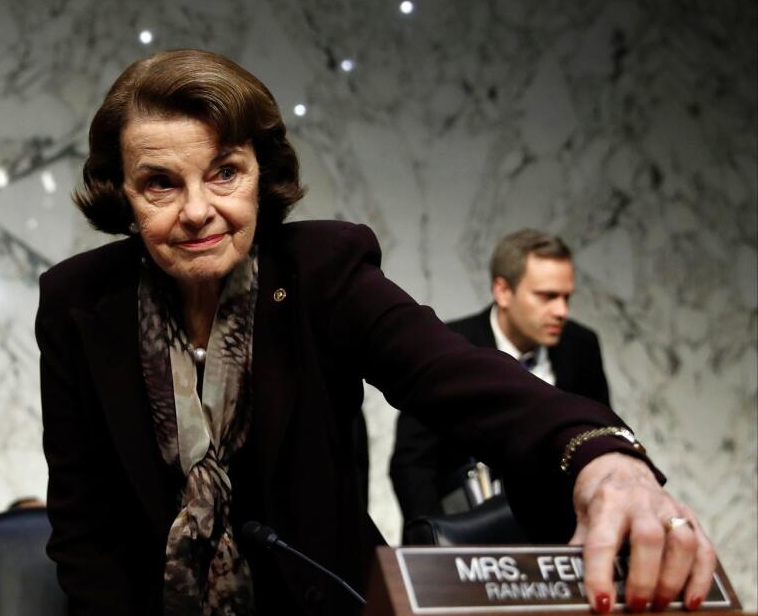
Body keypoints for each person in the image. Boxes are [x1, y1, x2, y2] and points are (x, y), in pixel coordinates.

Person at [35, 49, 716, 615]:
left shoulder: (321, 268)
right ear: (119, 193)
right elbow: (83, 529)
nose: (198, 211)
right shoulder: (76, 304)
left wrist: (603, 457)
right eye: (159, 183)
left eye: (224, 172)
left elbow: (456, 374)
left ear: (259, 173)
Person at [390, 230, 613, 526]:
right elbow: (413, 463)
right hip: (467, 533)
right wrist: (436, 542)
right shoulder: (450, 345)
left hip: (561, 533)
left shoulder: (581, 346)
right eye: (547, 296)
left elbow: (601, 437)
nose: (561, 311)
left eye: (566, 297)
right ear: (502, 291)